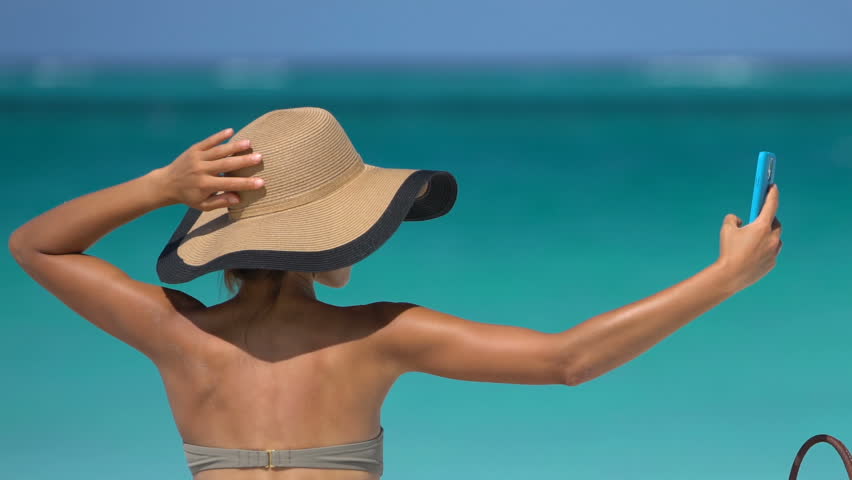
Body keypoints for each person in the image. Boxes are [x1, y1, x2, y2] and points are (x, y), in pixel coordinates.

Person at [8, 107, 783, 479]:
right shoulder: (379, 335)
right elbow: (568, 360)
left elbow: (35, 244)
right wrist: (723, 279)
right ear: (338, 240)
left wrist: (160, 186)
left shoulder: (177, 335)